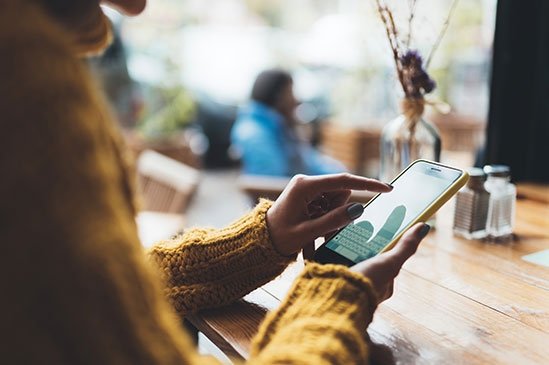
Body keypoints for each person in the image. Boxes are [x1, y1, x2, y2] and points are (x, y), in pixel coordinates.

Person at [0, 1, 430, 364]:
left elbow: (89, 300)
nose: (142, 6)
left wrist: (259, 240)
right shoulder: (22, 67)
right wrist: (331, 303)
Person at [231, 69, 347, 176]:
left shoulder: (277, 125)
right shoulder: (254, 134)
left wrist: (339, 172)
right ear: (277, 96)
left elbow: (307, 162)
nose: (296, 100)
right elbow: (271, 182)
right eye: (290, 92)